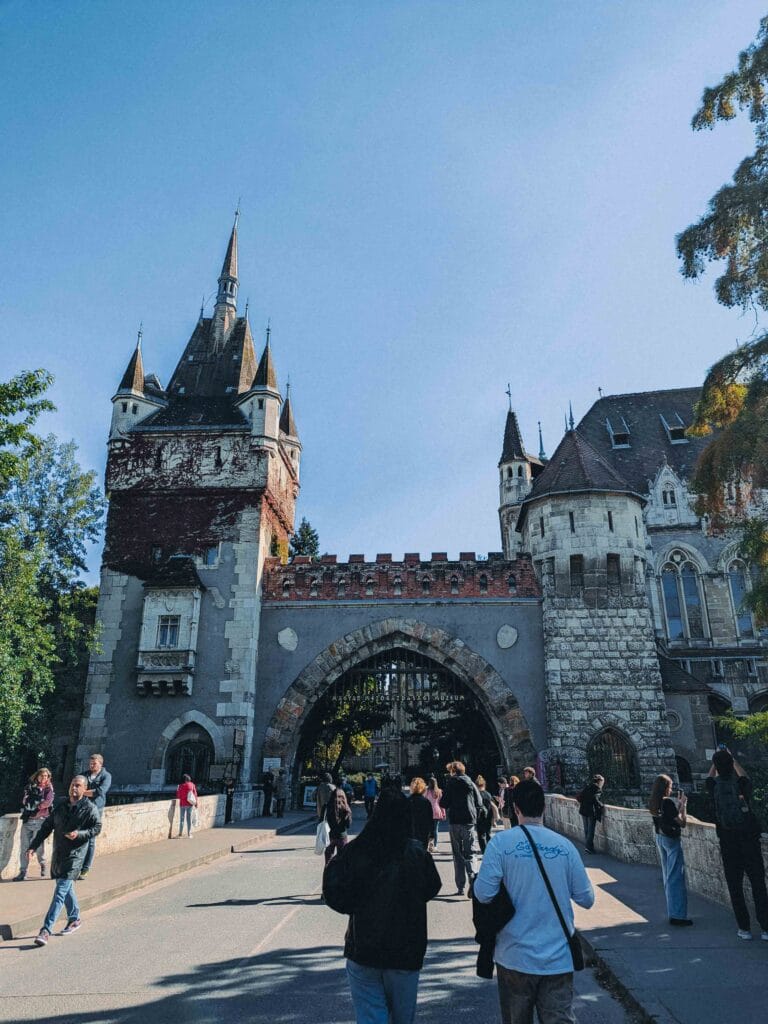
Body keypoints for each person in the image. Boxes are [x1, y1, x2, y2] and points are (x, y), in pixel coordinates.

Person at [474, 778, 594, 1024]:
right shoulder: (565, 846)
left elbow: (483, 894)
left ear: (515, 809)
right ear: (544, 808)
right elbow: (587, 899)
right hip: (557, 958)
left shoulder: (500, 845)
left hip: (514, 956)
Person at [323, 789, 442, 1024]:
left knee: (370, 1015)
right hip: (406, 951)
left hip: (364, 947)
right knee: (402, 1017)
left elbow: (333, 890)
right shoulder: (416, 853)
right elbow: (432, 887)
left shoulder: (357, 849)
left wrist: (356, 905)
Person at [28, 775, 102, 946]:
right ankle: (75, 918)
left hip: (75, 855)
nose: (74, 788)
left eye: (78, 785)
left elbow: (96, 828)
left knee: (61, 891)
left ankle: (45, 930)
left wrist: (80, 834)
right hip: (60, 853)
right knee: (65, 888)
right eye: (72, 784)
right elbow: (47, 826)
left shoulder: (89, 808)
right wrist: (33, 846)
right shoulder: (61, 805)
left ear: (84, 789)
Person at [705, 748, 768, 940]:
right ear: (731, 764)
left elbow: (709, 778)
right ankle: (766, 928)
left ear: (716, 765)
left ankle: (744, 929)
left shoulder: (714, 786)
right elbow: (745, 776)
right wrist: (733, 760)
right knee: (758, 885)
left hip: (728, 842)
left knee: (735, 887)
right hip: (749, 841)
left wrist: (715, 763)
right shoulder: (740, 784)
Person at [649, 773, 692, 926]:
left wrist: (678, 807)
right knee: (676, 877)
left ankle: (672, 911)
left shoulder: (654, 802)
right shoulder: (667, 803)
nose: (671, 789)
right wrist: (683, 807)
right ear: (665, 788)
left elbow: (665, 818)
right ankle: (678, 915)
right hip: (671, 840)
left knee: (668, 876)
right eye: (670, 786)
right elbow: (682, 823)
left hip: (660, 838)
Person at [439, 760, 482, 896]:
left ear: (453, 771)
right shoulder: (470, 782)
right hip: (469, 821)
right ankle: (472, 875)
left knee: (457, 855)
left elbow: (444, 803)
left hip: (455, 822)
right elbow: (479, 801)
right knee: (470, 853)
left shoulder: (450, 784)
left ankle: (460, 887)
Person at [14, 768, 55, 881]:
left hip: (41, 820)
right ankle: (23, 871)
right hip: (28, 820)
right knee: (24, 847)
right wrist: (33, 802)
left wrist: (35, 805)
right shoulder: (30, 787)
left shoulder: (48, 789)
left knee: (38, 846)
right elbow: (24, 801)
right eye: (41, 776)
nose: (43, 778)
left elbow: (47, 802)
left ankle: (42, 863)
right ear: (37, 776)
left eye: (46, 776)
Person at [79, 753, 111, 878]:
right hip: (82, 808)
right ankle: (78, 865)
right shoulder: (84, 775)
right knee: (80, 837)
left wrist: (83, 792)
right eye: (90, 763)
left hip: (96, 810)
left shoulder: (106, 776)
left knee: (90, 839)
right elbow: (74, 787)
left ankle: (85, 868)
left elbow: (100, 791)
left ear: (100, 764)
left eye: (94, 763)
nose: (91, 765)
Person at [325, 787, 353, 865]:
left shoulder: (326, 806)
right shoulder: (346, 808)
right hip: (342, 836)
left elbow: (321, 821)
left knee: (328, 861)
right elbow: (348, 825)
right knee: (342, 861)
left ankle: (328, 875)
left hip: (329, 836)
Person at [577, 774, 604, 854]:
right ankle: (589, 847)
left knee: (586, 829)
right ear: (599, 781)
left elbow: (580, 797)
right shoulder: (597, 788)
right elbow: (595, 799)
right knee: (591, 830)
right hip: (591, 811)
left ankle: (588, 846)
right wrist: (601, 805)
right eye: (602, 781)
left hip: (583, 810)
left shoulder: (587, 787)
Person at [409, 777, 434, 849]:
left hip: (411, 832)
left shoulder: (407, 801)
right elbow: (430, 819)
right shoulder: (426, 802)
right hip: (423, 831)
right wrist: (432, 834)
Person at [475, 775, 497, 854]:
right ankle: (491, 849)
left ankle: (484, 851)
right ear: (484, 785)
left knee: (481, 835)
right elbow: (493, 807)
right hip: (488, 816)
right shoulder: (488, 794)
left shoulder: (476, 795)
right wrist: (494, 819)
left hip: (479, 817)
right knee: (488, 833)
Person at [424, 776, 444, 851]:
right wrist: (443, 813)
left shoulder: (427, 791)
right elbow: (441, 804)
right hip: (437, 811)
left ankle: (428, 845)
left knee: (428, 829)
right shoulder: (439, 791)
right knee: (436, 830)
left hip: (428, 811)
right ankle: (435, 846)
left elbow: (424, 801)